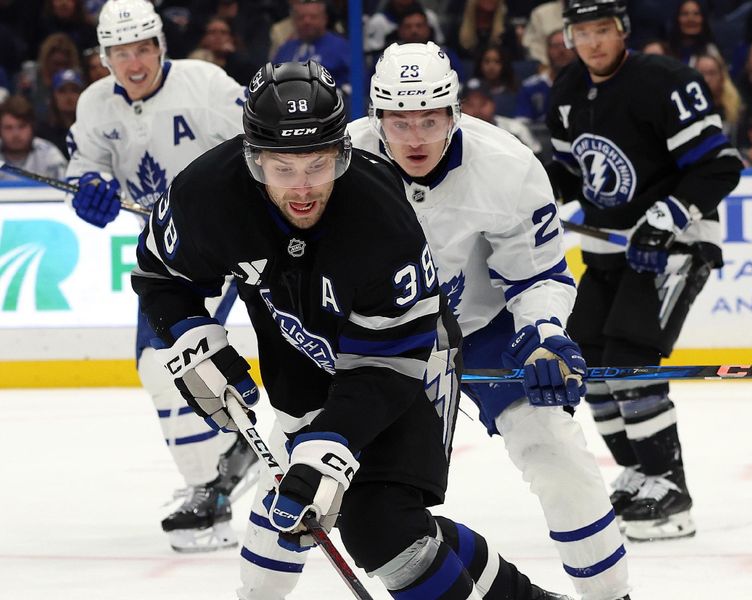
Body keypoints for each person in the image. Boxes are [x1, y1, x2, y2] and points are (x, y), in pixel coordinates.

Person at [133, 58, 573, 600]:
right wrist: (191, 340)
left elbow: (389, 361)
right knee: (302, 524)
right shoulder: (207, 193)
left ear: (341, 153)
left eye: (317, 165)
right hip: (302, 373)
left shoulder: (381, 219)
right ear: (252, 160)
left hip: (409, 364)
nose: (302, 189)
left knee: (380, 523)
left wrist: (330, 447)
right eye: (282, 168)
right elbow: (159, 273)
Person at [226, 43, 631, 600]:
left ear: (455, 112)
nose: (415, 136)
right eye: (398, 119)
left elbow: (538, 277)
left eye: (429, 119)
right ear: (376, 114)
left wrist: (544, 337)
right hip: (372, 339)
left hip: (483, 330)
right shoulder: (336, 161)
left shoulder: (508, 167)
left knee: (556, 450)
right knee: (296, 474)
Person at [546, 0, 743, 542]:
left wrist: (667, 217)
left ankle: (671, 488)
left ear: (622, 30)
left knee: (631, 360)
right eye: (581, 33)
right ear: (569, 37)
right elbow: (570, 174)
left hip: (673, 247)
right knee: (586, 362)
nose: (592, 43)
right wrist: (540, 200)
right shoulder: (566, 92)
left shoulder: (664, 82)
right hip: (610, 250)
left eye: (602, 30)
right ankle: (640, 471)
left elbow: (720, 165)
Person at [64, 0, 256, 553]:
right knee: (159, 365)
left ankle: (225, 477)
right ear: (104, 57)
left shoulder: (204, 84)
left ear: (159, 46)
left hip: (232, 236)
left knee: (173, 359)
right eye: (120, 52)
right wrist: (91, 190)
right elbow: (87, 168)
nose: (133, 62)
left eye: (142, 48)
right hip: (168, 252)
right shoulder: (96, 103)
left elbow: (259, 139)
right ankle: (216, 478)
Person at [0, 94, 66, 181]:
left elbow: (67, 191)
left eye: (22, 126)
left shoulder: (49, 155)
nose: (15, 134)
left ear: (32, 127)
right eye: (8, 127)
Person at [37, 68, 83, 158]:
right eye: (62, 91)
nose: (69, 97)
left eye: (74, 90)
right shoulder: (43, 131)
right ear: (53, 96)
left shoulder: (91, 127)